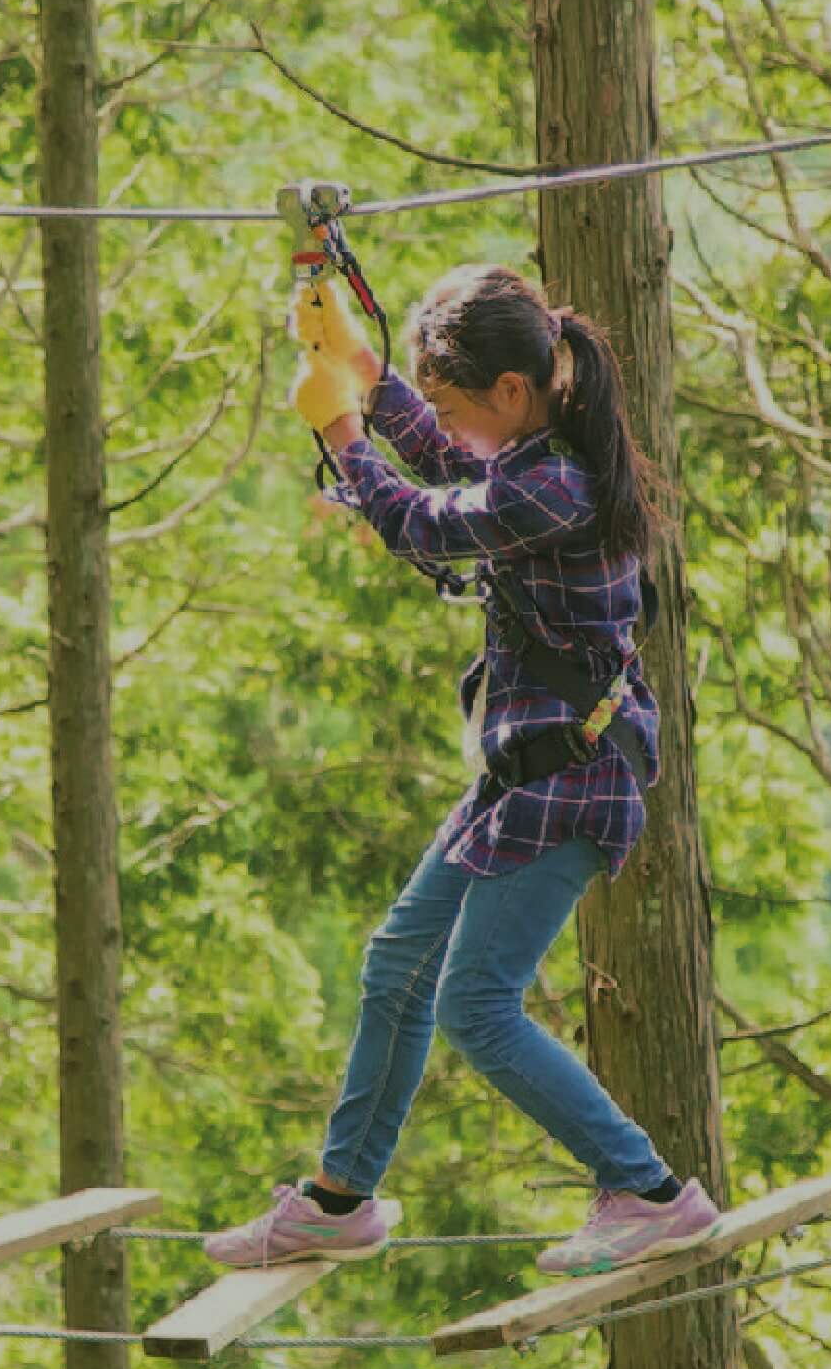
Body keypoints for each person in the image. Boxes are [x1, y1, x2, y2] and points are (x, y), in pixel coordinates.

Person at [202, 264, 720, 1276]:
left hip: (568, 782)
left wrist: (345, 435)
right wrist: (360, 367)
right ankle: (339, 1199)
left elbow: (426, 520)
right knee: (398, 964)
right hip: (519, 781)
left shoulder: (556, 485)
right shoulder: (534, 453)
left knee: (477, 1002)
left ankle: (651, 1190)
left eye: (451, 397)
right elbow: (446, 454)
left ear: (512, 392)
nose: (443, 422)